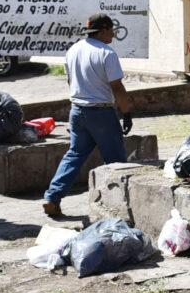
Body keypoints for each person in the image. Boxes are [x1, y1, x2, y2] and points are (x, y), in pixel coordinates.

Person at [42, 13, 134, 217]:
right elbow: (117, 87)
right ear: (103, 31)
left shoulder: (73, 49)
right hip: (101, 113)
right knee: (116, 162)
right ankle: (119, 207)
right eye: (111, 30)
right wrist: (126, 112)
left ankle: (52, 197)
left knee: (74, 155)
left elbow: (70, 81)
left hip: (77, 110)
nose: (113, 35)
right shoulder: (107, 53)